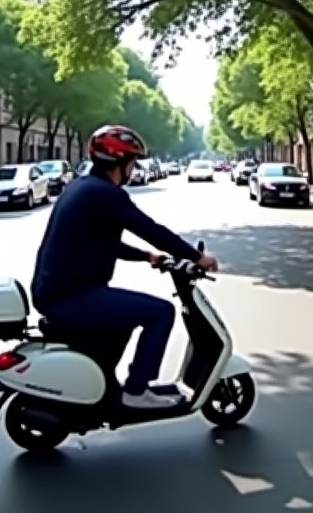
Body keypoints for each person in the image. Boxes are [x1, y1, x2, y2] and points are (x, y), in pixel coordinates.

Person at [30, 124, 219, 410]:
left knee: (129, 314)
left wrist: (146, 256)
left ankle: (112, 387)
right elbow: (150, 229)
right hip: (72, 296)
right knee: (160, 312)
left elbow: (100, 242)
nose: (134, 168)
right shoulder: (106, 194)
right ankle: (136, 390)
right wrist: (196, 257)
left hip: (57, 291)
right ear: (119, 163)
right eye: (132, 162)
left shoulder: (82, 187)